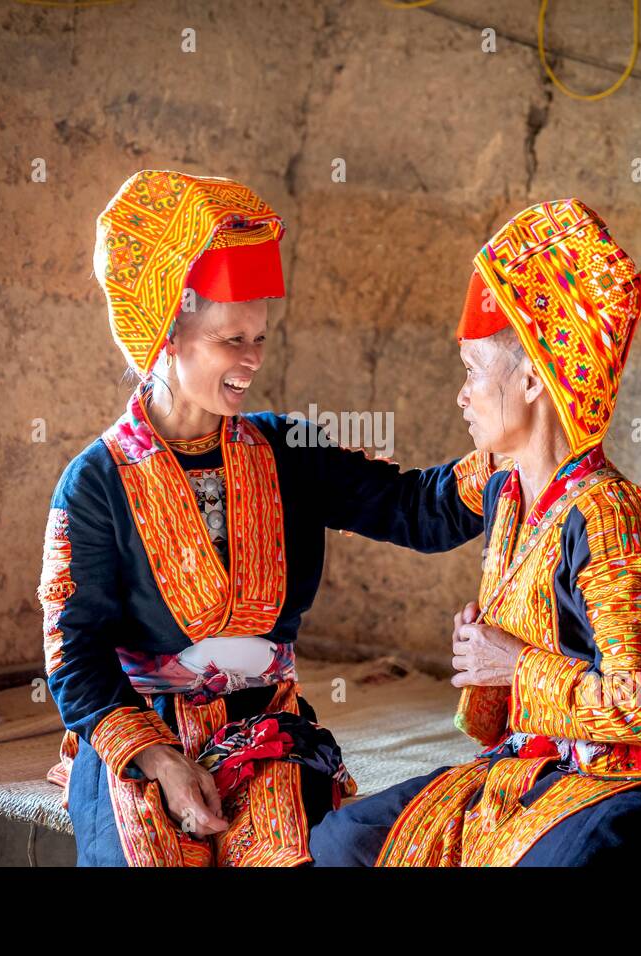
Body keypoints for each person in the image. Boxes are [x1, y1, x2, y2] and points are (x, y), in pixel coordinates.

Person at [38, 169, 498, 866]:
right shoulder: (95, 483)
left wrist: (514, 448)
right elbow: (75, 657)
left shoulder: (288, 449)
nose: (252, 360)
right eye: (231, 340)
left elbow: (418, 511)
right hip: (142, 738)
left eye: (258, 337)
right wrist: (163, 762)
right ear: (166, 337)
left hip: (266, 732)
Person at [309, 198, 641, 866]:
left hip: (628, 784)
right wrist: (284, 458)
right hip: (530, 768)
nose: (461, 395)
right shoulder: (502, 484)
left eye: (472, 371)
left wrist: (512, 664)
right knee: (342, 842)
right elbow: (412, 506)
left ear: (534, 376)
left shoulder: (614, 518)